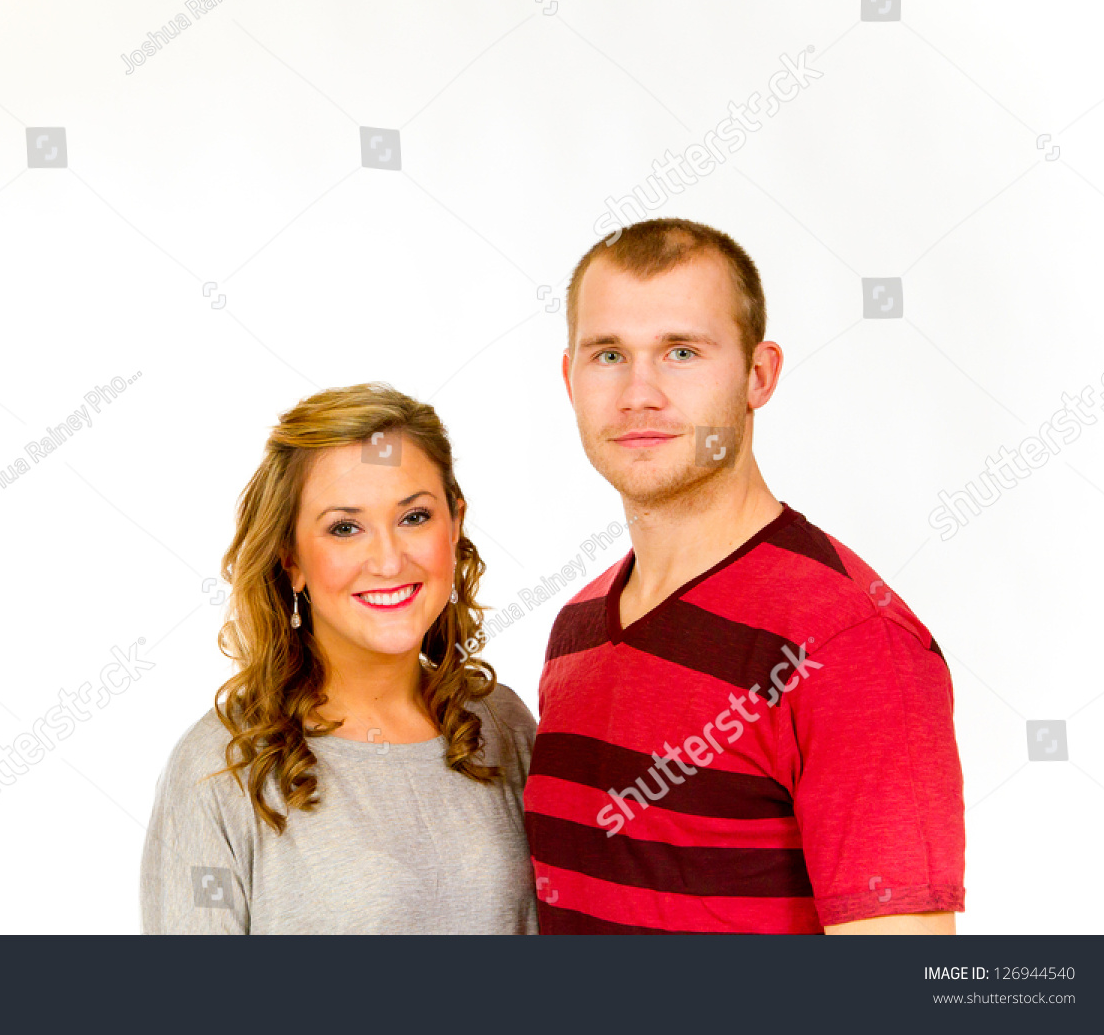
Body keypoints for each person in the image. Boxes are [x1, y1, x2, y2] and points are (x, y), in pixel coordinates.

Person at [524, 218, 965, 934]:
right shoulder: (576, 627)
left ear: (759, 374)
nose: (640, 392)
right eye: (609, 354)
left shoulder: (851, 641)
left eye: (682, 351)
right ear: (570, 377)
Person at [140, 383, 537, 933]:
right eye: (344, 528)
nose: (388, 559)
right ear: (292, 559)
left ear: (456, 524)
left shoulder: (506, 726)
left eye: (415, 517)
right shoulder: (220, 767)